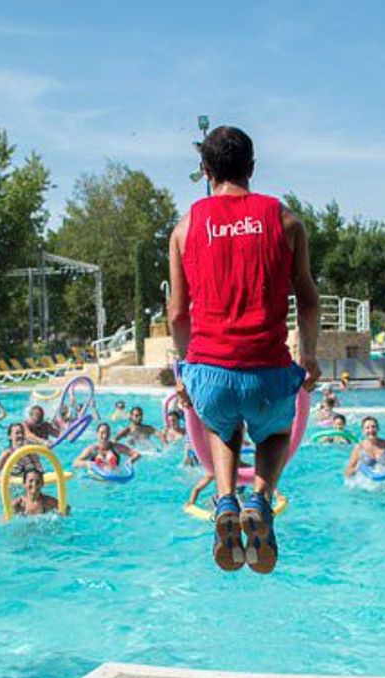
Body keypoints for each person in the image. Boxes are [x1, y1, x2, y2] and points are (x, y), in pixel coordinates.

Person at [168, 126, 319, 574]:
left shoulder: (185, 227)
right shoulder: (287, 221)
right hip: (268, 372)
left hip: (211, 370)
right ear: (252, 167)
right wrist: (307, 355)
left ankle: (226, 501)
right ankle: (261, 500)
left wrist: (183, 371)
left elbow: (178, 314)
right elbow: (308, 299)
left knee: (220, 423)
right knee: (273, 432)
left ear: (205, 170)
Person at [73, 423, 142, 471]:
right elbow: (75, 463)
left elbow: (137, 454)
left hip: (115, 478)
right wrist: (86, 463)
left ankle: (110, 461)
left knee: (110, 454)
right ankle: (101, 461)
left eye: (107, 433)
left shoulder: (116, 447)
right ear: (97, 434)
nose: (105, 436)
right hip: (96, 480)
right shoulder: (92, 449)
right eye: (102, 433)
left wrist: (130, 461)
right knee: (100, 456)